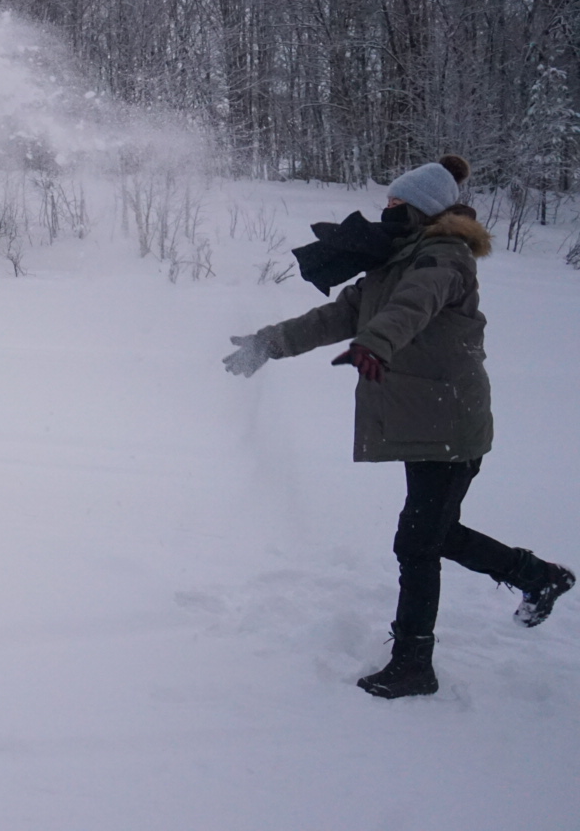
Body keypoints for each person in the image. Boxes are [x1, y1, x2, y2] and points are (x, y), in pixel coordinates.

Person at [224, 155, 573, 698]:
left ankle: (415, 662)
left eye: (396, 204)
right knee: (435, 533)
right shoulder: (393, 261)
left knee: (417, 542)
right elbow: (337, 316)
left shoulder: (444, 257)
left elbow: (414, 306)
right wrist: (269, 343)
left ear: (422, 209)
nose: (385, 211)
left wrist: (375, 343)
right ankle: (539, 577)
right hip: (425, 420)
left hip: (451, 421)